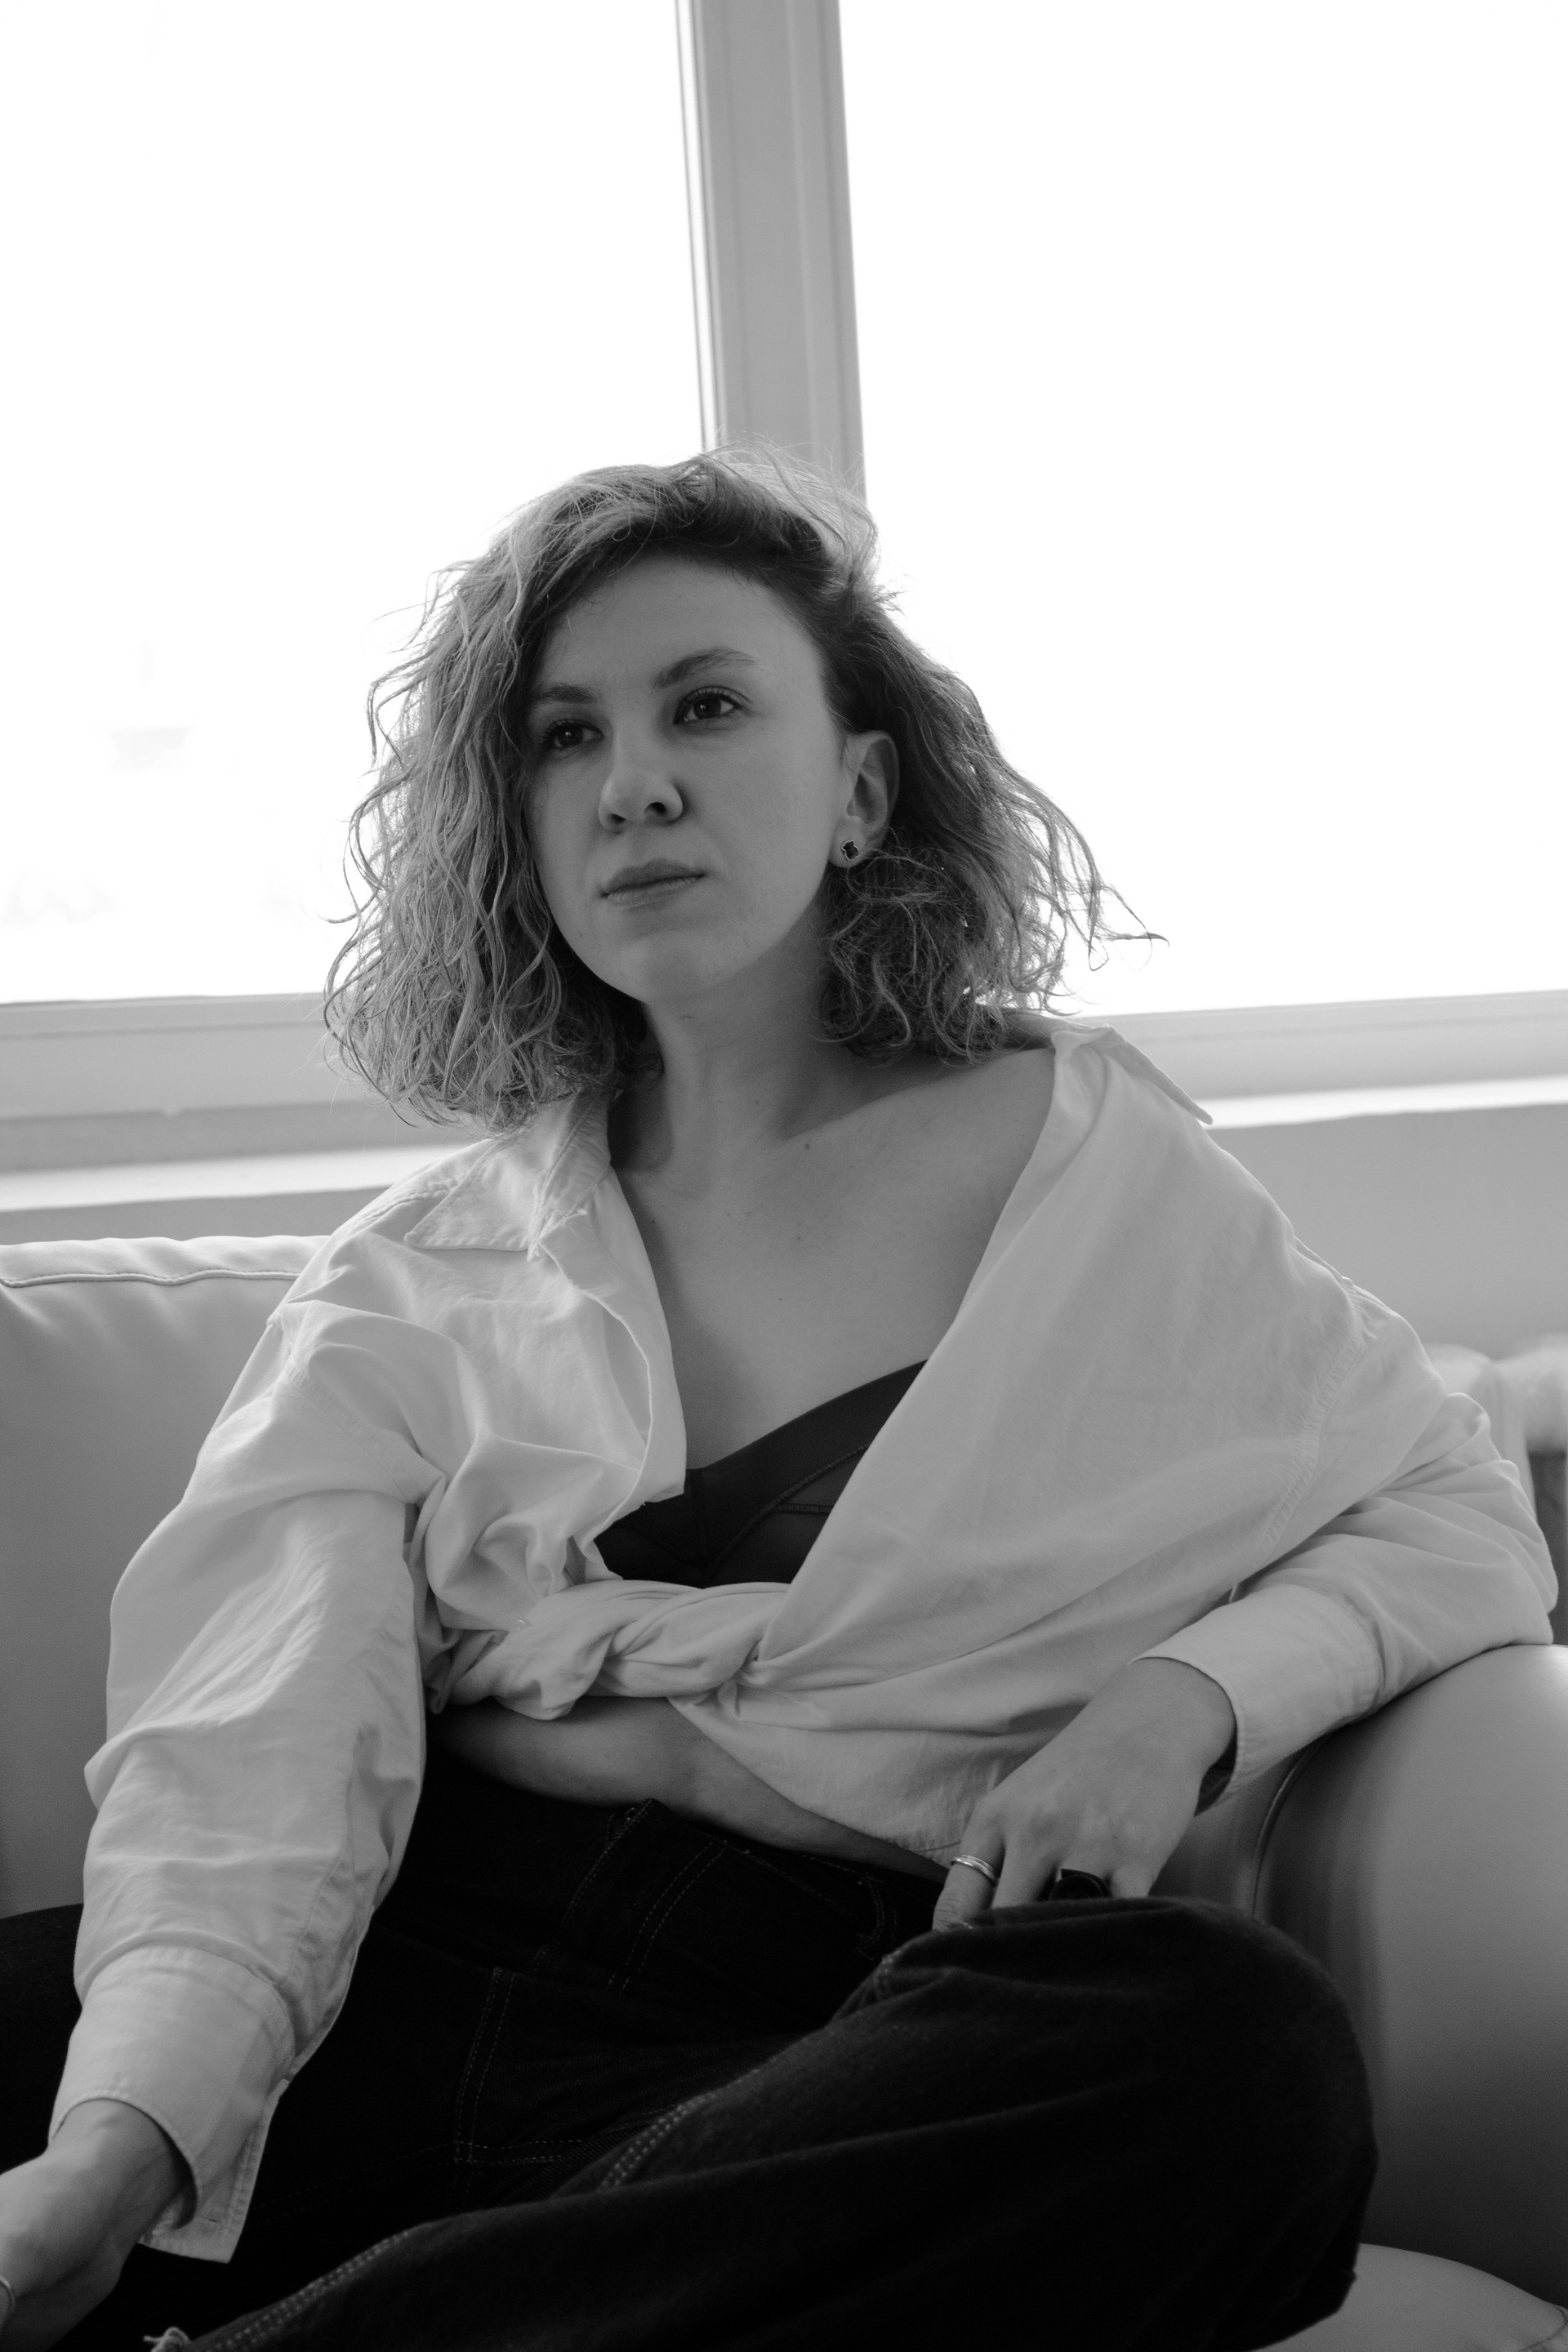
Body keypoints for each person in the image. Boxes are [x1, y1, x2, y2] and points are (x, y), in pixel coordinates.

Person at [0, 451, 1552, 2352]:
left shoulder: (1097, 1181)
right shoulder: (417, 1272)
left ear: (864, 790)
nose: (634, 782)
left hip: (810, 2058)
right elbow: (259, 1755)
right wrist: (112, 2157)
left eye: (708, 707)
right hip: (378, 1987)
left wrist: (1178, 1703)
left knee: (1228, 2052)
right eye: (567, 736)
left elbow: (1450, 1508)